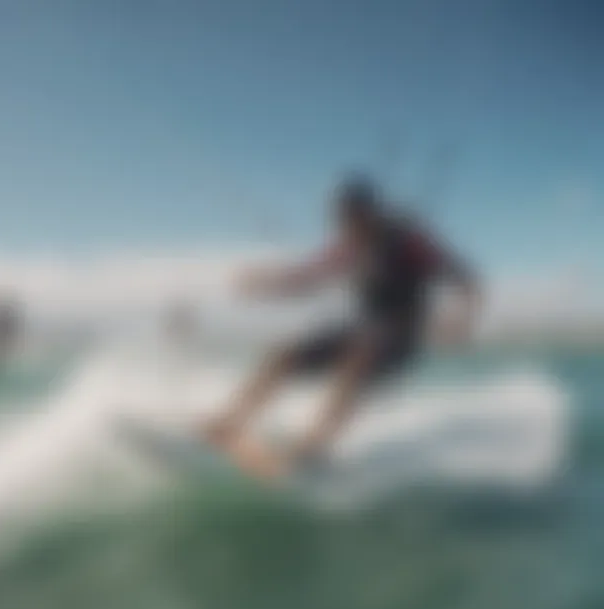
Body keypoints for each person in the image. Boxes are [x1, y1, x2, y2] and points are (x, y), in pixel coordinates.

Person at [203, 174, 481, 481]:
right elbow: (308, 278)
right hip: (363, 330)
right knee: (286, 353)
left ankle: (314, 446)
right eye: (340, 220)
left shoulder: (409, 243)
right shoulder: (349, 245)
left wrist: (462, 323)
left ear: (368, 213)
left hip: (401, 338)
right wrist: (264, 284)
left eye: (349, 219)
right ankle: (229, 422)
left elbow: (467, 278)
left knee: (364, 348)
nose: (344, 228)